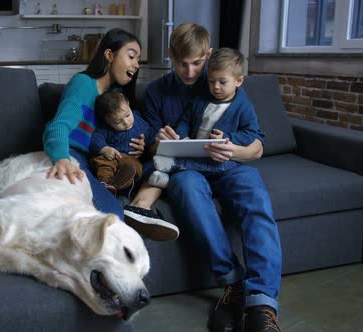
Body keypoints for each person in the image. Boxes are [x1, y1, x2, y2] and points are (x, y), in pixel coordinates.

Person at [142, 24, 283, 332]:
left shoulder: (224, 81)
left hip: (231, 166)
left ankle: (261, 304)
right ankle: (233, 285)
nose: (191, 71)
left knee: (256, 199)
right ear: (171, 57)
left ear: (207, 56)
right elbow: (150, 145)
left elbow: (256, 144)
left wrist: (233, 150)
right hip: (189, 169)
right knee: (187, 188)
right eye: (182, 63)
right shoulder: (156, 92)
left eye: (197, 63)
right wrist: (160, 138)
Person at [42, 28, 178, 241]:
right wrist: (61, 158)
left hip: (105, 164)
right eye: (131, 56)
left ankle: (138, 207)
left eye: (138, 60)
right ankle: (123, 216)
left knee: (163, 165)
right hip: (76, 157)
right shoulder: (83, 84)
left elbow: (122, 133)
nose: (136, 64)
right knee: (112, 216)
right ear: (109, 55)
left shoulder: (116, 97)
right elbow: (58, 126)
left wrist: (142, 146)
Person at [148, 47, 263, 189]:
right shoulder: (201, 99)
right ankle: (168, 172)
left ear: (238, 81)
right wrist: (183, 137)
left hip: (220, 158)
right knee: (193, 163)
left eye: (222, 82)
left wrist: (228, 138)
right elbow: (185, 120)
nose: (216, 87)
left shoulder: (244, 106)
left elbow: (251, 133)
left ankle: (172, 167)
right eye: (211, 81)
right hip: (195, 150)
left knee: (218, 165)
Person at [89, 90, 158, 196]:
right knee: (104, 163)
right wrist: (105, 149)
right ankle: (105, 185)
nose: (126, 122)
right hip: (112, 156)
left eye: (127, 115)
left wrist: (159, 140)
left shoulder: (139, 122)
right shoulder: (105, 129)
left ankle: (117, 186)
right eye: (118, 122)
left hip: (129, 160)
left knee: (135, 167)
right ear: (107, 121)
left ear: (128, 104)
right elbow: (95, 139)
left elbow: (151, 134)